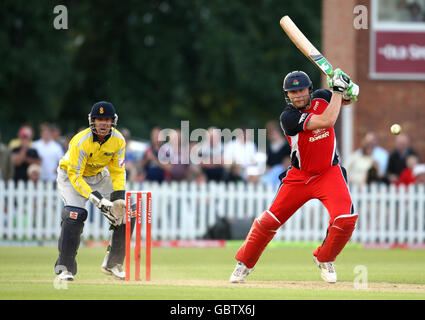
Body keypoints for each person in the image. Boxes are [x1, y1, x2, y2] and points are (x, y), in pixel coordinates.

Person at [229, 69, 359, 284]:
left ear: (309, 89)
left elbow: (345, 101)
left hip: (329, 172)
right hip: (300, 176)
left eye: (301, 90)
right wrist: (338, 90)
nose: (297, 95)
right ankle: (244, 264)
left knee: (345, 220)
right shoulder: (288, 117)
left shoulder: (323, 96)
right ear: (287, 95)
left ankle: (325, 259)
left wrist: (349, 90)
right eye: (292, 92)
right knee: (269, 221)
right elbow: (327, 120)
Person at [54, 101, 129, 281]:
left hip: (98, 175)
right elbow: (75, 176)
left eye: (107, 119)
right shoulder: (80, 141)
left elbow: (118, 170)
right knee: (74, 215)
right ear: (92, 121)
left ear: (113, 121)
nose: (103, 123)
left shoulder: (118, 140)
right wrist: (97, 199)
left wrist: (118, 197)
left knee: (126, 212)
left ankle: (113, 263)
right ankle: (65, 268)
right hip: (71, 177)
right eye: (99, 119)